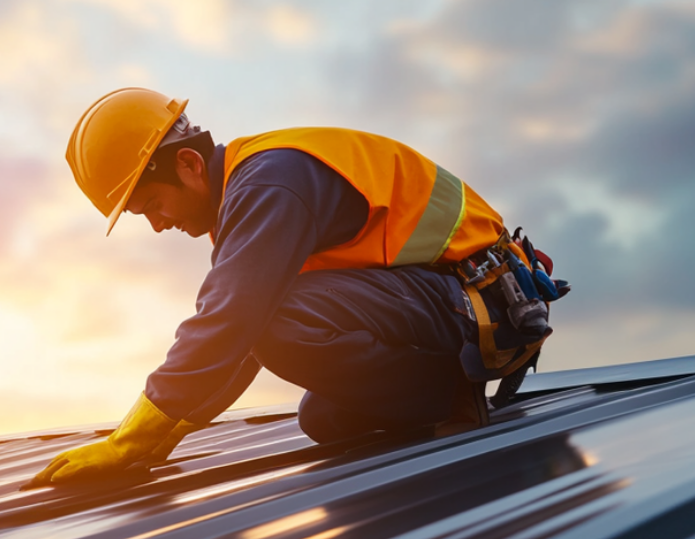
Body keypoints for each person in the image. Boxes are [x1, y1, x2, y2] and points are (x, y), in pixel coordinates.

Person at [28, 87, 563, 487]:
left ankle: (451, 393)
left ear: (189, 164)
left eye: (152, 205)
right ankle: (446, 392)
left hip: (479, 305)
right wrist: (161, 440)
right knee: (323, 417)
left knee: (275, 321)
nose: (158, 225)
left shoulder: (269, 183)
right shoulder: (250, 194)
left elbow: (231, 323)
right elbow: (236, 348)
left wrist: (128, 442)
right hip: (453, 306)